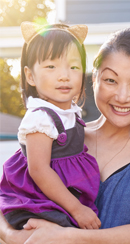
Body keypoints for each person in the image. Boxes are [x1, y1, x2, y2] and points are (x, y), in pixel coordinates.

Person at [0, 27, 130, 244]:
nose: (123, 97)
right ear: (93, 79)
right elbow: (12, 189)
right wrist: (11, 235)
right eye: (111, 80)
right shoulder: (59, 132)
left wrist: (65, 236)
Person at [0, 22, 101, 230]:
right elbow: (39, 170)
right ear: (30, 76)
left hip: (64, 197)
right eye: (51, 66)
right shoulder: (40, 118)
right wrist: (77, 209)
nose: (64, 75)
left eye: (73, 67)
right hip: (39, 200)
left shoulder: (70, 112)